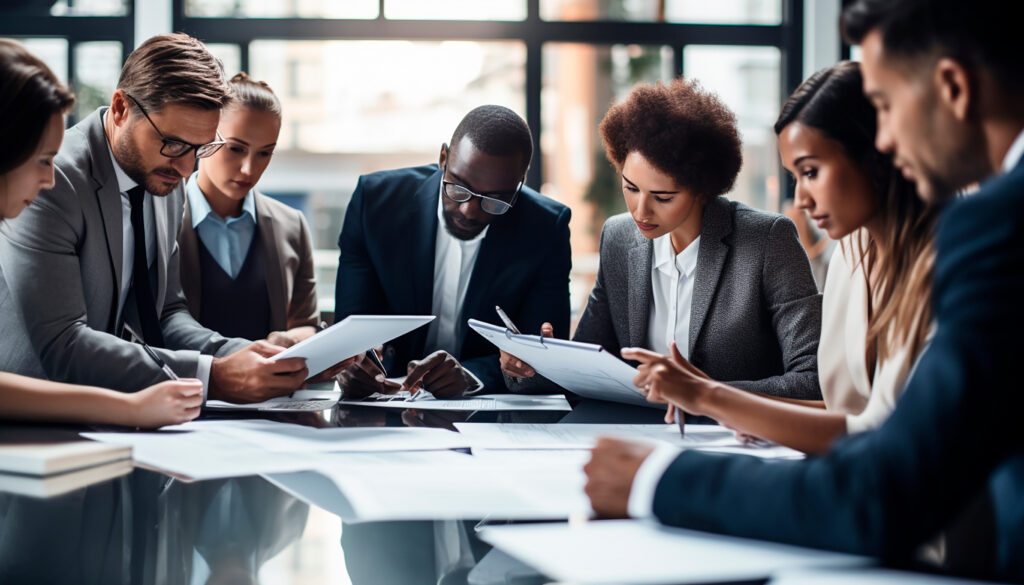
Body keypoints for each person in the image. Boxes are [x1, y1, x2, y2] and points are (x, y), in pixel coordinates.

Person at [583, 0, 1024, 579]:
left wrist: (660, 475)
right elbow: (865, 422)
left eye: (886, 106)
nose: (888, 139)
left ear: (953, 87)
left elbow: (885, 473)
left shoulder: (985, 230)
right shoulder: (850, 253)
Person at [0, 34, 348, 405]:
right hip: (32, 421)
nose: (186, 168)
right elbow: (63, 344)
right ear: (120, 108)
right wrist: (213, 376)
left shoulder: (165, 175)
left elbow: (164, 314)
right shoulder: (53, 182)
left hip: (112, 415)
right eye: (174, 143)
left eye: (200, 148)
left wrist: (253, 357)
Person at [616, 61, 939, 455]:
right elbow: (844, 411)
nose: (800, 199)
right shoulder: (850, 254)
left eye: (811, 171)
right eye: (794, 176)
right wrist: (756, 417)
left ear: (876, 154)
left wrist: (709, 396)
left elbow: (883, 433)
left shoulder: (942, 265)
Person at [501, 77, 822, 417]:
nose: (640, 210)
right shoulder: (619, 238)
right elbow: (592, 365)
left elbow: (812, 380)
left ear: (703, 189)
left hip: (734, 441)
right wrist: (536, 363)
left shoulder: (767, 240)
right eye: (631, 187)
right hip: (636, 436)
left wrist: (702, 393)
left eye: (663, 197)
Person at [0, 38, 202, 428]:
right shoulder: (63, 187)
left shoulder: (163, 191)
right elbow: (61, 346)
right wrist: (131, 408)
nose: (49, 177)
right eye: (44, 160)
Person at [334, 105, 571, 398]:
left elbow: (542, 351)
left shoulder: (547, 227)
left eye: (494, 201)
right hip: (383, 402)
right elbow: (350, 326)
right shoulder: (376, 203)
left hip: (485, 416)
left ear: (518, 185)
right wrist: (354, 364)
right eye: (459, 188)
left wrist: (472, 376)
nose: (468, 210)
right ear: (443, 158)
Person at [178, 72, 318, 346]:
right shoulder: (158, 219)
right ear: (206, 135)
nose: (249, 169)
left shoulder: (292, 225)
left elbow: (306, 325)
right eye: (236, 148)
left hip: (273, 388)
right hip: (185, 386)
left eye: (264, 153)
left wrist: (288, 340)